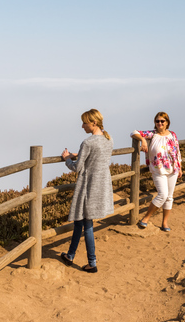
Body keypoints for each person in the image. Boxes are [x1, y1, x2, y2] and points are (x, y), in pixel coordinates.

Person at [59, 109, 114, 273]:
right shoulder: (108, 140)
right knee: (79, 222)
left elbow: (77, 168)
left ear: (94, 123)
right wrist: (80, 154)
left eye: (85, 122)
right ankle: (70, 255)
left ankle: (92, 263)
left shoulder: (88, 143)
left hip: (88, 187)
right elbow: (96, 159)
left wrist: (67, 159)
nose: (82, 126)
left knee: (87, 224)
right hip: (101, 185)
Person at [131, 112, 181, 232]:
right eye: (157, 121)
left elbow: (177, 152)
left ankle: (164, 223)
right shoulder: (152, 134)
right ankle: (146, 218)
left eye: (162, 121)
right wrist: (143, 140)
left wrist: (180, 167)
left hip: (173, 169)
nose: (160, 123)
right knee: (162, 195)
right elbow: (133, 132)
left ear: (167, 123)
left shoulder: (173, 135)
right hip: (158, 169)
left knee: (169, 197)